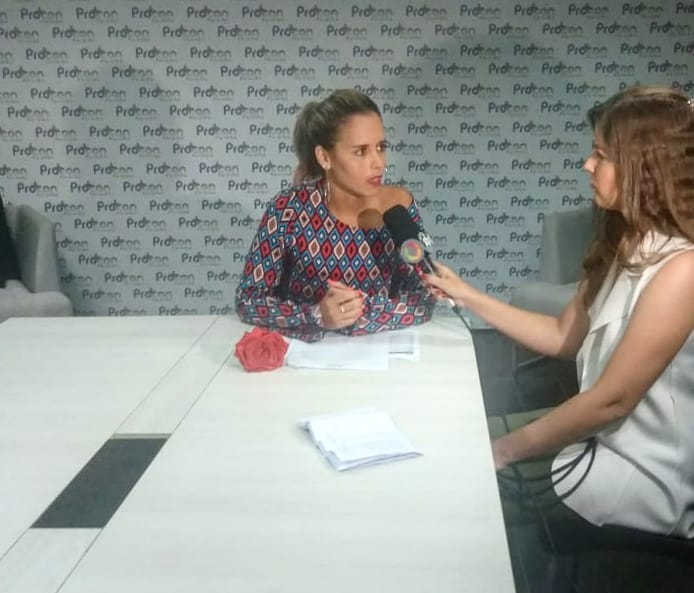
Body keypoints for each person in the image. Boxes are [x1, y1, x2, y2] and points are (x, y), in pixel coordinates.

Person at [425, 85, 694, 537]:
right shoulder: (627, 242)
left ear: (645, 167)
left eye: (601, 155)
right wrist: (466, 294)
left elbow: (612, 400)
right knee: (453, 445)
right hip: (597, 444)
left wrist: (501, 451)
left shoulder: (682, 269)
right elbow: (561, 334)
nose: (587, 165)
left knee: (456, 486)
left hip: (642, 476)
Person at [235, 89, 436, 342]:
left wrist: (362, 313)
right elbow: (248, 300)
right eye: (361, 151)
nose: (378, 163)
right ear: (325, 157)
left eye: (381, 147)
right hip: (304, 356)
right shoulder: (289, 209)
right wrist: (316, 316)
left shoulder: (399, 206)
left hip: (377, 353)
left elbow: (425, 296)